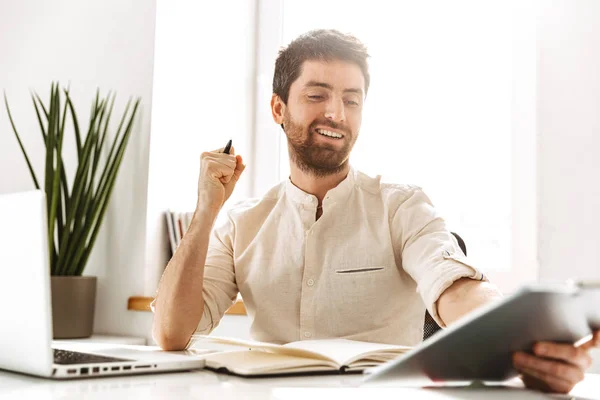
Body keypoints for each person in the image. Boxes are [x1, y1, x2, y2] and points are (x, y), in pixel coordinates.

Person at [152, 29, 599, 394]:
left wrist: (526, 343)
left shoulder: (400, 204)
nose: (336, 113)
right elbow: (171, 334)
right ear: (278, 108)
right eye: (317, 95)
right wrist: (206, 209)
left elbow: (456, 288)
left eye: (351, 99)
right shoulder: (242, 223)